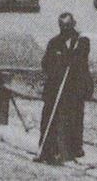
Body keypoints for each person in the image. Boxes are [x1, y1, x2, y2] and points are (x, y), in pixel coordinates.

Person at [36, 12, 92, 164]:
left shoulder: (82, 41)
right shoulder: (54, 42)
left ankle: (71, 151)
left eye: (67, 26)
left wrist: (68, 59)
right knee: (49, 117)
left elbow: (80, 62)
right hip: (55, 86)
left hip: (74, 87)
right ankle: (46, 150)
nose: (64, 29)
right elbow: (45, 63)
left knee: (73, 119)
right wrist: (58, 66)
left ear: (73, 24)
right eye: (61, 26)